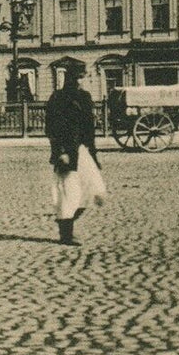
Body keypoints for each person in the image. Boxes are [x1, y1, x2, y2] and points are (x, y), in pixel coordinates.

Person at [45, 63, 105, 246]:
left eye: (83, 77)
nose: (80, 81)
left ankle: (65, 221)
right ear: (69, 78)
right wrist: (60, 152)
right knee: (68, 192)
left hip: (82, 149)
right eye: (78, 77)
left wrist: (94, 153)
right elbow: (51, 128)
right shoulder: (58, 98)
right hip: (67, 151)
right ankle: (66, 233)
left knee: (94, 188)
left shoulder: (85, 97)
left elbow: (89, 128)